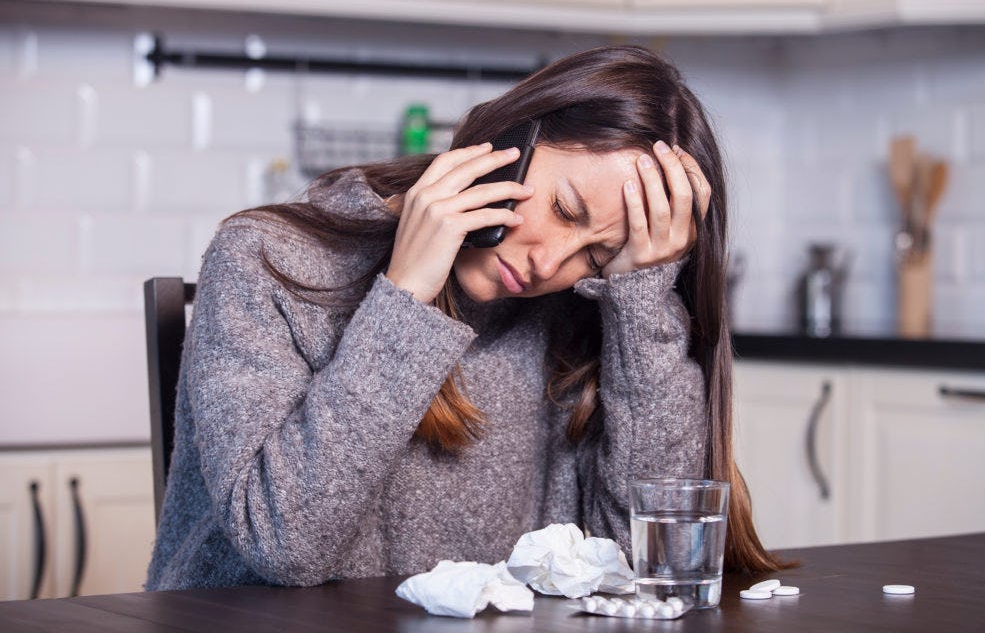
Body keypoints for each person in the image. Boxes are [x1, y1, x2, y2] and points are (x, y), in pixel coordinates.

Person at [146, 44, 785, 591]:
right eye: (565, 210)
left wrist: (642, 305)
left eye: (597, 254)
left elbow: (648, 566)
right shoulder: (264, 260)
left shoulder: (584, 317)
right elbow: (285, 546)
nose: (550, 264)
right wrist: (405, 299)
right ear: (508, 142)